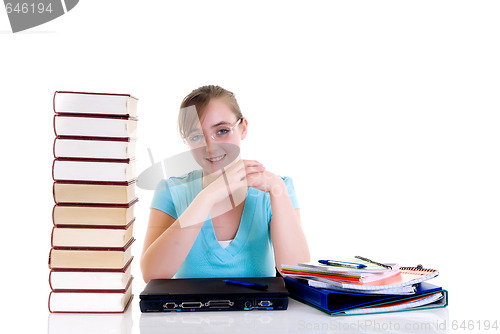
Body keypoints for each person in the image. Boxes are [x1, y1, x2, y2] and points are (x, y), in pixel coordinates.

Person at [140, 85, 310, 282]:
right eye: (196, 136)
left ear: (243, 128)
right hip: (190, 312)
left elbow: (297, 274)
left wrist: (276, 189)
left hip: (258, 312)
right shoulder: (171, 190)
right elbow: (152, 275)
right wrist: (207, 197)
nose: (210, 147)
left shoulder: (277, 187)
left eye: (222, 131)